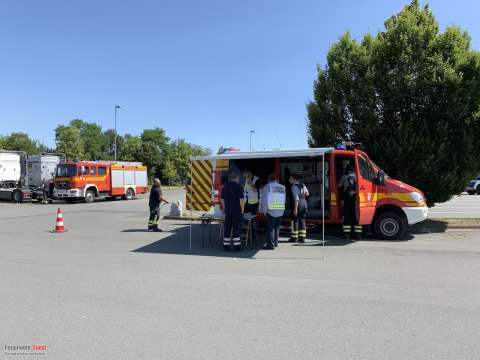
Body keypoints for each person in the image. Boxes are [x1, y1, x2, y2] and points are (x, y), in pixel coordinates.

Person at [260, 174, 286, 250]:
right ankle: (276, 242)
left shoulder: (267, 186)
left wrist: (264, 210)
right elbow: (284, 199)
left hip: (271, 210)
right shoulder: (282, 187)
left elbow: (264, 199)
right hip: (280, 209)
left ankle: (270, 245)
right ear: (276, 179)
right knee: (277, 227)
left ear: (269, 179)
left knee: (270, 228)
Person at [220, 173, 244, 251]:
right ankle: (237, 246)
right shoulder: (239, 187)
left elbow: (222, 199)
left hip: (228, 211)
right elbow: (241, 200)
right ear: (237, 178)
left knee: (227, 228)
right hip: (236, 211)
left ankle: (226, 246)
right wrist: (242, 210)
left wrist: (224, 208)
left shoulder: (225, 186)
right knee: (236, 228)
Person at [338, 164, 362, 240]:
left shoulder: (344, 177)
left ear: (347, 170)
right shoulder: (358, 177)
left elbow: (339, 186)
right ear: (354, 170)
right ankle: (358, 235)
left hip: (347, 197)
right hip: (356, 197)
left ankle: (347, 235)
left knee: (347, 216)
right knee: (356, 216)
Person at [289, 174, 310, 243]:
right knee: (302, 220)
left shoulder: (294, 186)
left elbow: (296, 199)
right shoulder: (302, 184)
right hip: (304, 203)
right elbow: (307, 194)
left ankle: (294, 238)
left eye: (290, 178)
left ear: (294, 179)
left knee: (295, 220)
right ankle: (303, 238)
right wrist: (301, 195)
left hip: (298, 204)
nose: (289, 180)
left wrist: (295, 209)